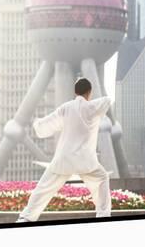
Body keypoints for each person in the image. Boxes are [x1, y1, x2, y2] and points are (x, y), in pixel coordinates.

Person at [16, 78, 112, 222]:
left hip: (64, 159)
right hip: (86, 161)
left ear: (75, 92)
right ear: (89, 92)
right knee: (102, 178)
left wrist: (37, 124)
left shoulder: (66, 108)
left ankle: (26, 217)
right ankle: (103, 215)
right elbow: (107, 100)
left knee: (44, 188)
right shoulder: (94, 107)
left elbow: (47, 125)